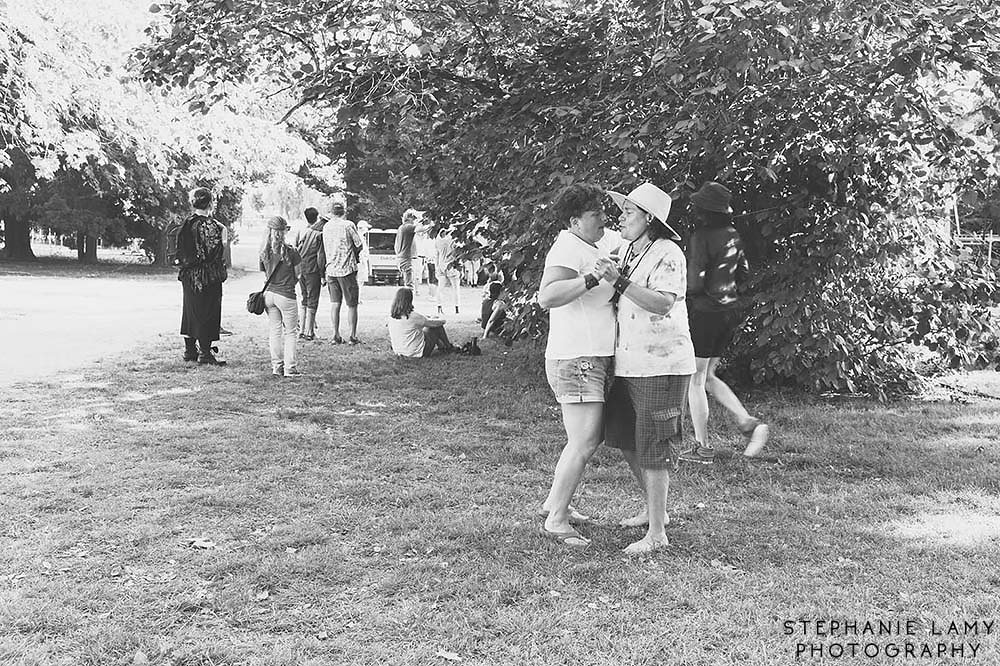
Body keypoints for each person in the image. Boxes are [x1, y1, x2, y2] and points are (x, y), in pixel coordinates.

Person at [597, 182, 695, 554]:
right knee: (624, 437)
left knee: (654, 444)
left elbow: (662, 303)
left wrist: (618, 281)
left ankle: (657, 533)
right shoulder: (630, 250)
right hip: (631, 362)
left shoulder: (668, 252)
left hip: (662, 363)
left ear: (649, 219)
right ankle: (657, 512)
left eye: (629, 212)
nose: (621, 217)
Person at [537, 183, 621, 549]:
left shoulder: (597, 242)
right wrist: (592, 278)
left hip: (595, 355)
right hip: (576, 357)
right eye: (594, 215)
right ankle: (556, 519)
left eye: (603, 211)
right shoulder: (568, 247)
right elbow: (547, 296)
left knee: (587, 437)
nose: (604, 218)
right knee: (584, 440)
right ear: (574, 221)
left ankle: (556, 504)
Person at [684, 181, 769, 462]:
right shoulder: (733, 234)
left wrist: (681, 291)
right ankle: (747, 422)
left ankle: (702, 447)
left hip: (704, 312)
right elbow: (744, 273)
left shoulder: (700, 237)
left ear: (703, 210)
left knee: (694, 379)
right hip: (728, 312)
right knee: (708, 376)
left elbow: (694, 283)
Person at [175, 187, 227, 366]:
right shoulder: (211, 225)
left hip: (188, 274)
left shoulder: (186, 223)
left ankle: (190, 350)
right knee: (208, 311)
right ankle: (205, 352)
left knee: (190, 311)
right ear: (211, 203)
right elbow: (214, 251)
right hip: (207, 276)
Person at [260, 216, 303, 377]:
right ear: (284, 231)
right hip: (286, 294)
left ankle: (277, 366)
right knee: (291, 332)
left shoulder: (264, 251)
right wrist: (290, 283)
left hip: (269, 294)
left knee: (274, 330)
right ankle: (290, 367)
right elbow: (298, 273)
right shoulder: (291, 251)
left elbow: (265, 273)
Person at [322, 202, 364, 345]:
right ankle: (352, 336)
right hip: (347, 269)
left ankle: (335, 335)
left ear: (331, 212)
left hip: (331, 269)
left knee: (335, 304)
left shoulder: (326, 227)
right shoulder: (348, 225)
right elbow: (359, 244)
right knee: (352, 304)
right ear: (344, 212)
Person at [387, 287, 455, 357]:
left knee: (425, 330)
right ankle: (448, 347)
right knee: (436, 327)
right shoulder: (413, 317)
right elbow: (434, 324)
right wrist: (443, 320)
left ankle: (442, 347)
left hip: (399, 351)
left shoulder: (391, 317)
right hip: (416, 352)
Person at [294, 207, 326, 341]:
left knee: (304, 299)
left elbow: (296, 248)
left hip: (301, 268)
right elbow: (320, 256)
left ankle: (302, 330)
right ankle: (309, 332)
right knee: (313, 300)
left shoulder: (304, 231)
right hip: (313, 269)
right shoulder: (319, 234)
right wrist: (323, 273)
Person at [434, 226, 461, 314]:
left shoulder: (438, 241)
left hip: (441, 266)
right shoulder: (453, 241)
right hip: (451, 266)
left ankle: (439, 307)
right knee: (455, 288)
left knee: (440, 288)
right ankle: (457, 308)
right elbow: (458, 254)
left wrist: (437, 267)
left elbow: (436, 255)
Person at [395, 209, 420, 292]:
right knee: (409, 285)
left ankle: (406, 302)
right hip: (407, 259)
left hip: (401, 258)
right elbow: (421, 228)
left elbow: (396, 246)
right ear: (411, 218)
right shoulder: (409, 227)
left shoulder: (401, 227)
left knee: (407, 283)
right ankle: (408, 303)